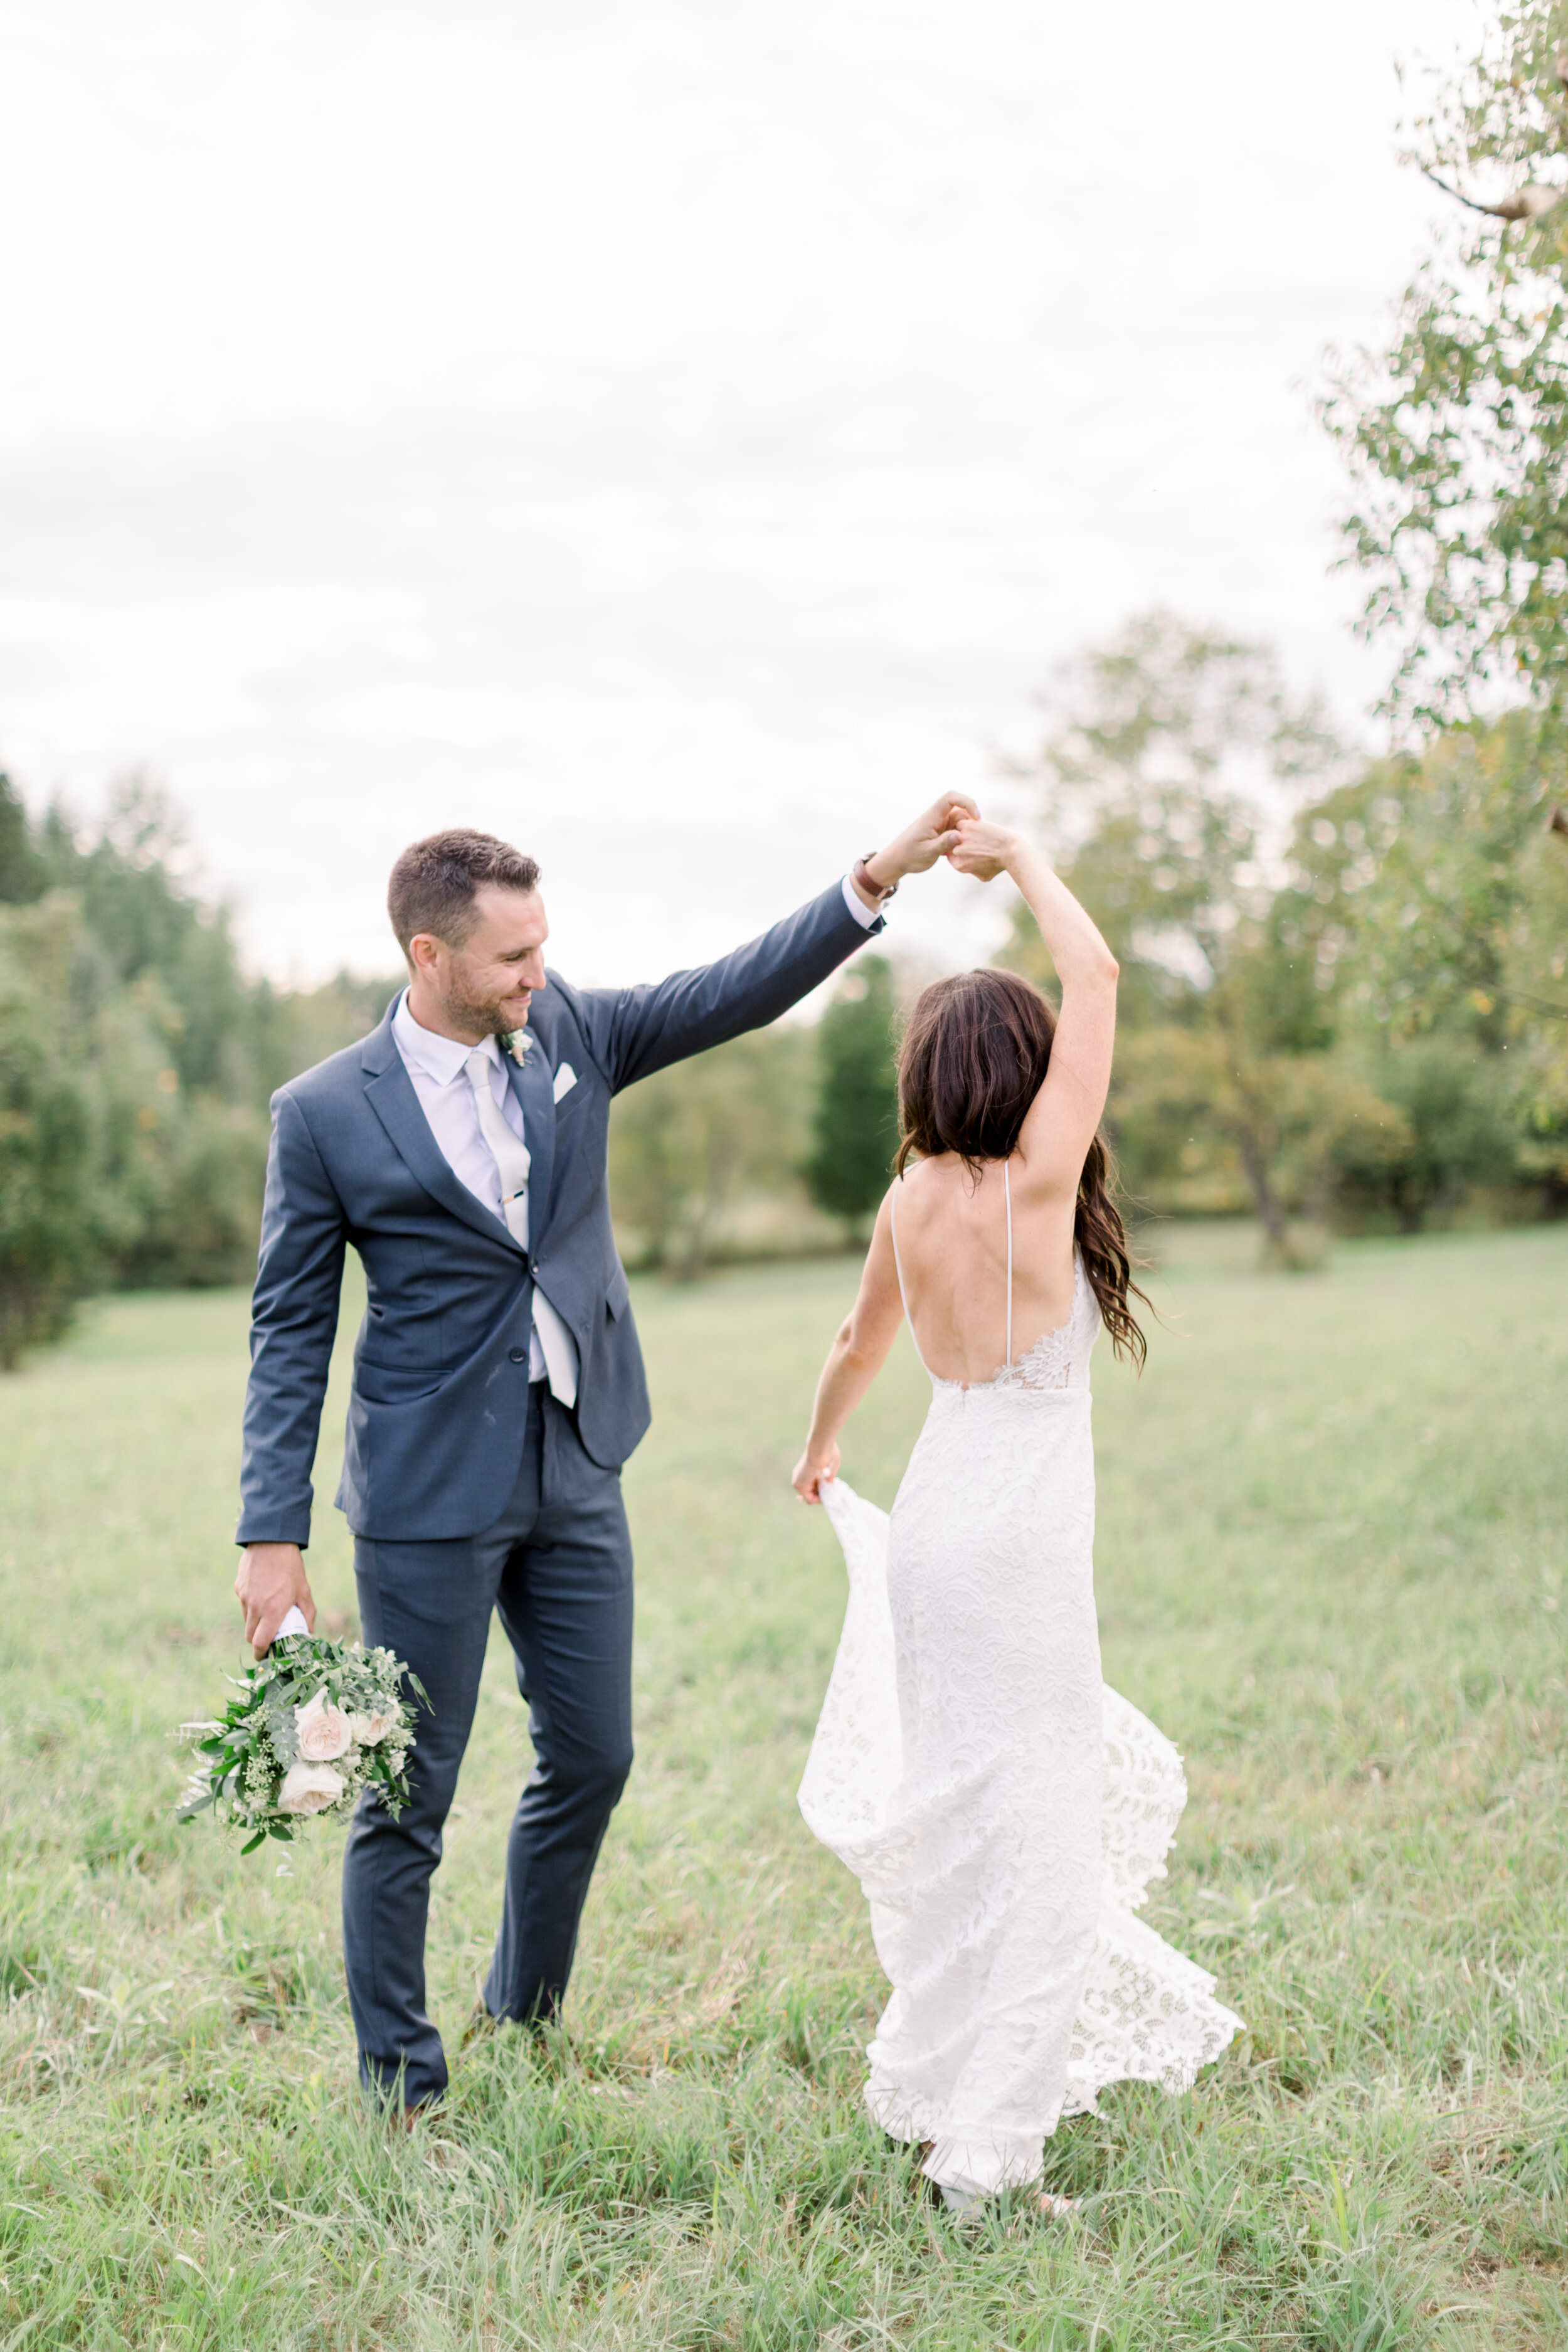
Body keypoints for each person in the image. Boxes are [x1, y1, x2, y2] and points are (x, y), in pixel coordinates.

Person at [233, 800, 974, 2115]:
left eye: (543, 946)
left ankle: (521, 2008)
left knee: (593, 1755)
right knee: (406, 1790)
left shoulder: (565, 1028)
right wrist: (269, 1535)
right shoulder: (325, 1115)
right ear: (428, 957)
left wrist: (871, 881)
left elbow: (726, 993)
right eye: (511, 956)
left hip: (577, 1462)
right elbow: (290, 1328)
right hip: (421, 1498)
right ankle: (401, 2083)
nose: (537, 973)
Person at [792, 815, 1243, 2218]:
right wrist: (1024, 860)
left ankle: (950, 2097)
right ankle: (983, 2162)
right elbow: (1095, 975)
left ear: (927, 1076)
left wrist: (818, 1453)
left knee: (968, 1822)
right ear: (1028, 1074)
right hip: (1023, 1552)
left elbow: (856, 1348)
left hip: (935, 1529)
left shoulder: (906, 1198)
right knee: (1038, 1850)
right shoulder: (1036, 1184)